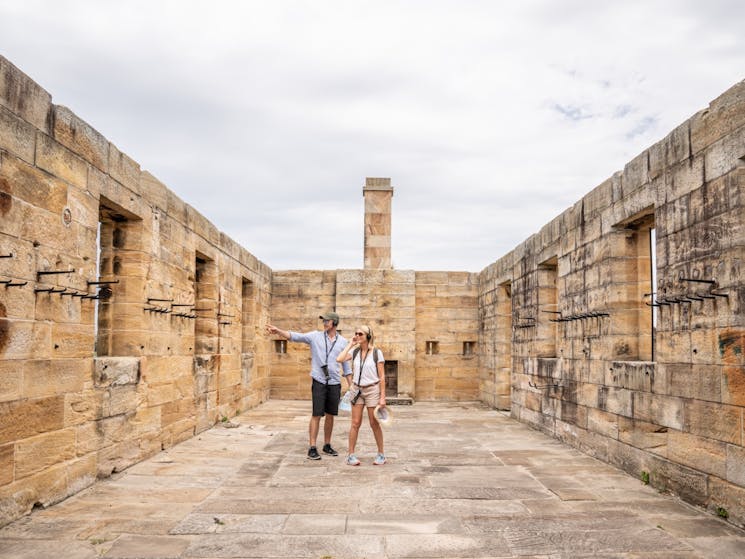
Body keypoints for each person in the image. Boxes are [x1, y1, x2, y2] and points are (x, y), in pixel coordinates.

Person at [266, 312, 352, 460]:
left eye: (327, 320)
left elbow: (346, 365)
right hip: (319, 380)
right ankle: (312, 447)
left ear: (334, 322)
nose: (324, 322)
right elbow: (294, 336)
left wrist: (352, 388)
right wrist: (278, 330)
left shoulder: (343, 342)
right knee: (317, 414)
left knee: (331, 415)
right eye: (323, 320)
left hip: (334, 382)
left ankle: (327, 444)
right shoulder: (315, 336)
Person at [336, 324, 387, 466]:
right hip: (357, 390)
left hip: (372, 390)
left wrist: (382, 397)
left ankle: (381, 454)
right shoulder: (355, 352)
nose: (357, 336)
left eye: (360, 334)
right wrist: (350, 344)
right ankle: (351, 455)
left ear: (368, 336)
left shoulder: (377, 353)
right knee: (355, 423)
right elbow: (339, 359)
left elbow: (382, 377)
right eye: (356, 333)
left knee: (374, 423)